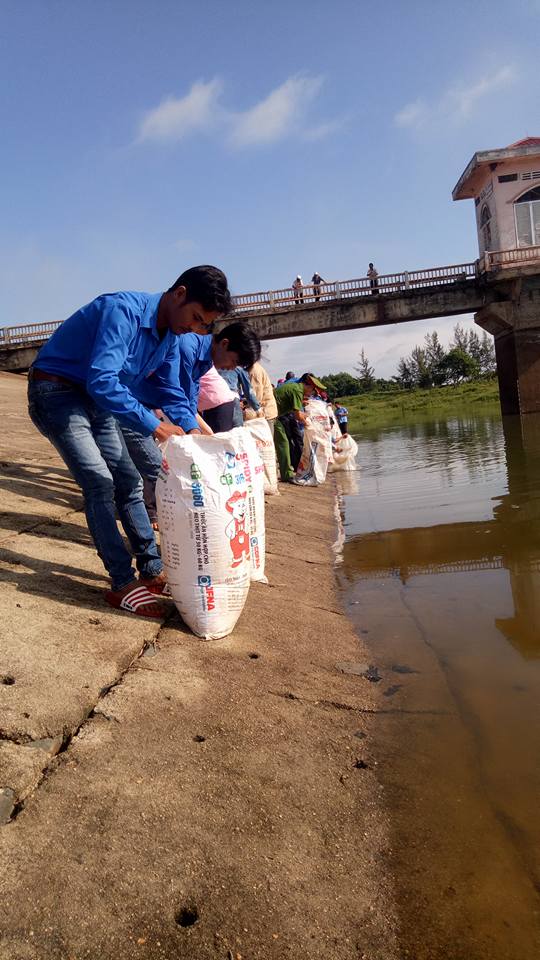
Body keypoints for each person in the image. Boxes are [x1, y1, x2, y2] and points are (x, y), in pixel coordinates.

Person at [28, 265, 231, 619]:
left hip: (96, 400)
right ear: (179, 293)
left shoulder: (171, 336)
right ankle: (122, 582)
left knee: (130, 482)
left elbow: (169, 389)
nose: (194, 328)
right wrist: (155, 426)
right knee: (99, 481)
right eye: (196, 317)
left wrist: (192, 430)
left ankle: (151, 571)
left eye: (203, 325)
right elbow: (103, 379)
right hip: (57, 391)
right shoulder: (122, 310)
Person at [121, 322, 262, 519]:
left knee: (150, 471)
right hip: (132, 406)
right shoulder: (187, 347)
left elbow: (190, 398)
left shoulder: (204, 360)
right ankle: (162, 519)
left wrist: (197, 431)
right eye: (234, 361)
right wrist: (193, 431)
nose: (231, 368)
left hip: (146, 407)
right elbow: (174, 394)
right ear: (224, 343)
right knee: (160, 470)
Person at [274, 373, 327, 483]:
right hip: (271, 415)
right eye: (312, 390)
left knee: (283, 443)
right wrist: (308, 424)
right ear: (308, 386)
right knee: (283, 444)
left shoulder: (296, 387)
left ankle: (286, 473)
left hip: (275, 415)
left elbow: (294, 408)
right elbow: (297, 416)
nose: (312, 393)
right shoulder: (298, 390)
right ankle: (286, 475)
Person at [247, 361, 278, 434]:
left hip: (265, 413)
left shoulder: (254, 370)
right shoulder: (255, 368)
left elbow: (256, 398)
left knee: (264, 443)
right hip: (267, 411)